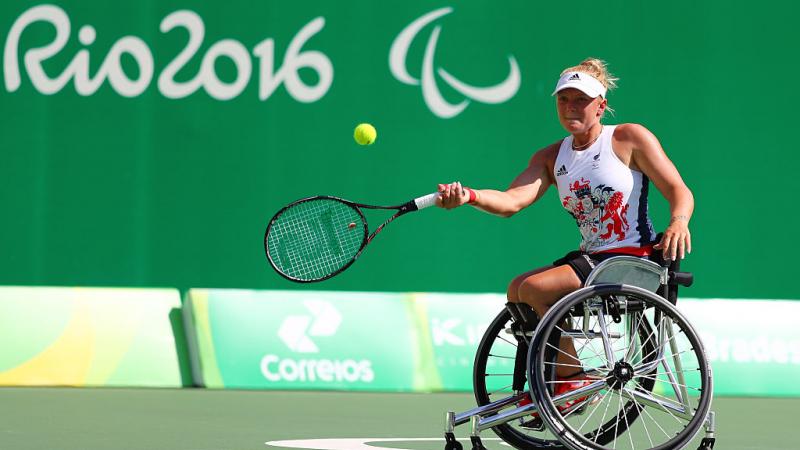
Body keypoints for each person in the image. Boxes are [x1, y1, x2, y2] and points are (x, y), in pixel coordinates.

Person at [436, 57, 694, 410]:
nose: (571, 106)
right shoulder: (550, 156)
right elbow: (512, 201)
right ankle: (553, 380)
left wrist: (679, 220)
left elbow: (680, 190)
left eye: (581, 100)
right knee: (517, 290)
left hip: (633, 258)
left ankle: (572, 381)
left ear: (601, 106)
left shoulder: (628, 138)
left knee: (535, 288)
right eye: (564, 99)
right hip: (594, 260)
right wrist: (470, 196)